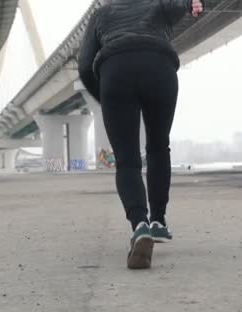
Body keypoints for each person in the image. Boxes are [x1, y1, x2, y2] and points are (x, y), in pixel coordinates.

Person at [78, 0, 204, 269]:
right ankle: (158, 220)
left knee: (127, 160)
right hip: (159, 67)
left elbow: (84, 65)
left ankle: (140, 226)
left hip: (115, 71)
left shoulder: (100, 14)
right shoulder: (159, 6)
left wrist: (104, 96)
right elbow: (182, 5)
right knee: (159, 148)